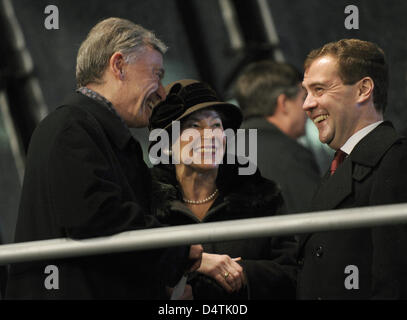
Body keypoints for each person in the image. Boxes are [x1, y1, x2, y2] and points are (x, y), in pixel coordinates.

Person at [6, 17, 202, 299]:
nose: (161, 91)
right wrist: (180, 253)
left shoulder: (87, 128)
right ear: (119, 65)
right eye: (156, 74)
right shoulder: (72, 127)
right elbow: (98, 219)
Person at [149, 79, 298, 300]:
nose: (209, 137)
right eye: (194, 126)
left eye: (216, 125)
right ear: (167, 143)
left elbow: (292, 271)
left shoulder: (259, 195)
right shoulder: (146, 201)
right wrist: (189, 268)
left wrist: (243, 274)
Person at [298, 38, 407, 299]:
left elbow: (395, 279)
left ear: (363, 89)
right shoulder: (342, 165)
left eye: (320, 89)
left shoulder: (396, 161)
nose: (307, 104)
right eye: (306, 92)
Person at [234, 61, 321, 213]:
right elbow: (318, 220)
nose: (309, 106)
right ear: (283, 103)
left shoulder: (228, 150)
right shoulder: (290, 154)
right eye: (303, 98)